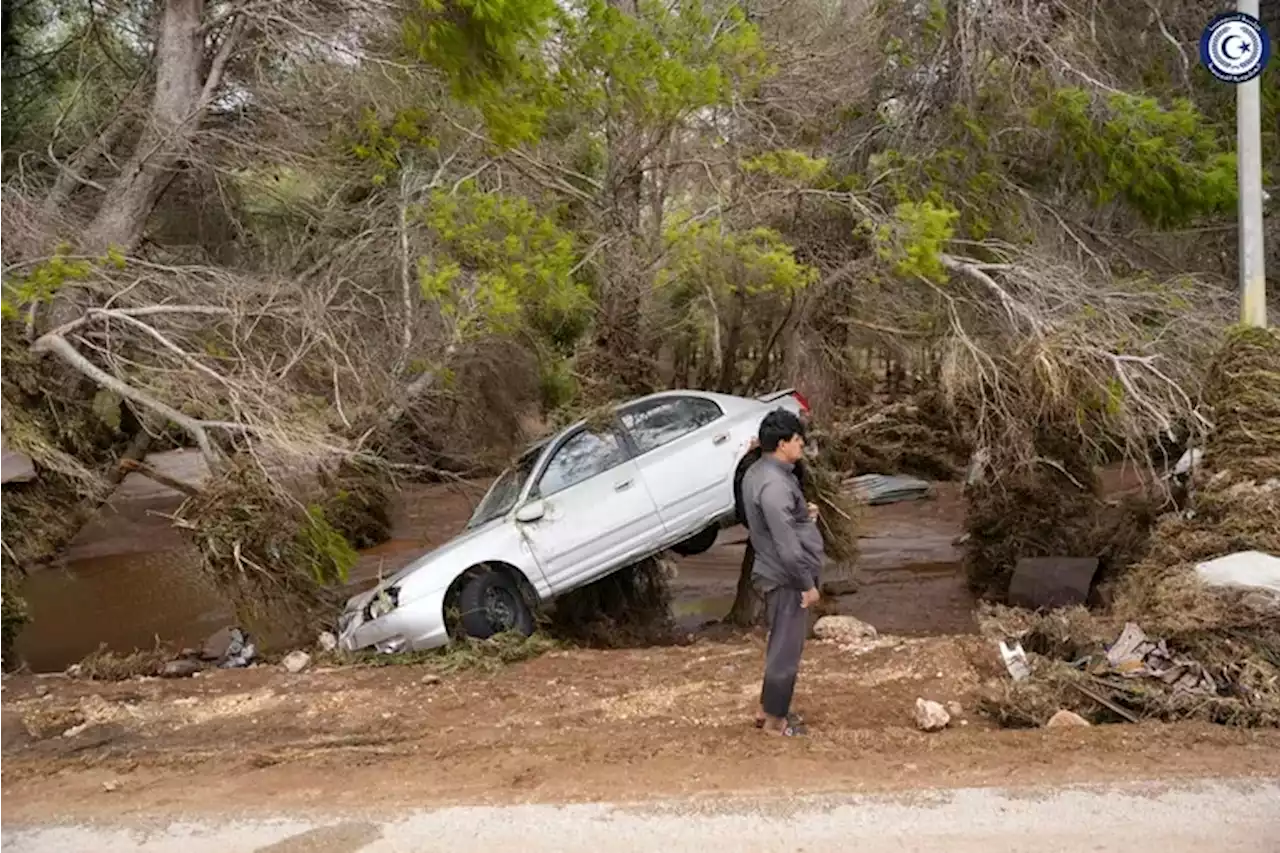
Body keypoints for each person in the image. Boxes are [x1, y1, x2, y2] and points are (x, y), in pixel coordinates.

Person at [739, 408, 825, 737]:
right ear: (782, 443)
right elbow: (786, 545)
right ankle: (776, 722)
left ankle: (767, 708)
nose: (801, 443)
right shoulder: (774, 485)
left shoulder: (760, 473)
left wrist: (804, 514)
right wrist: (807, 584)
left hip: (775, 571)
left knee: (780, 644)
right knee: (786, 650)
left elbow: (779, 521)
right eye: (796, 438)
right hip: (786, 577)